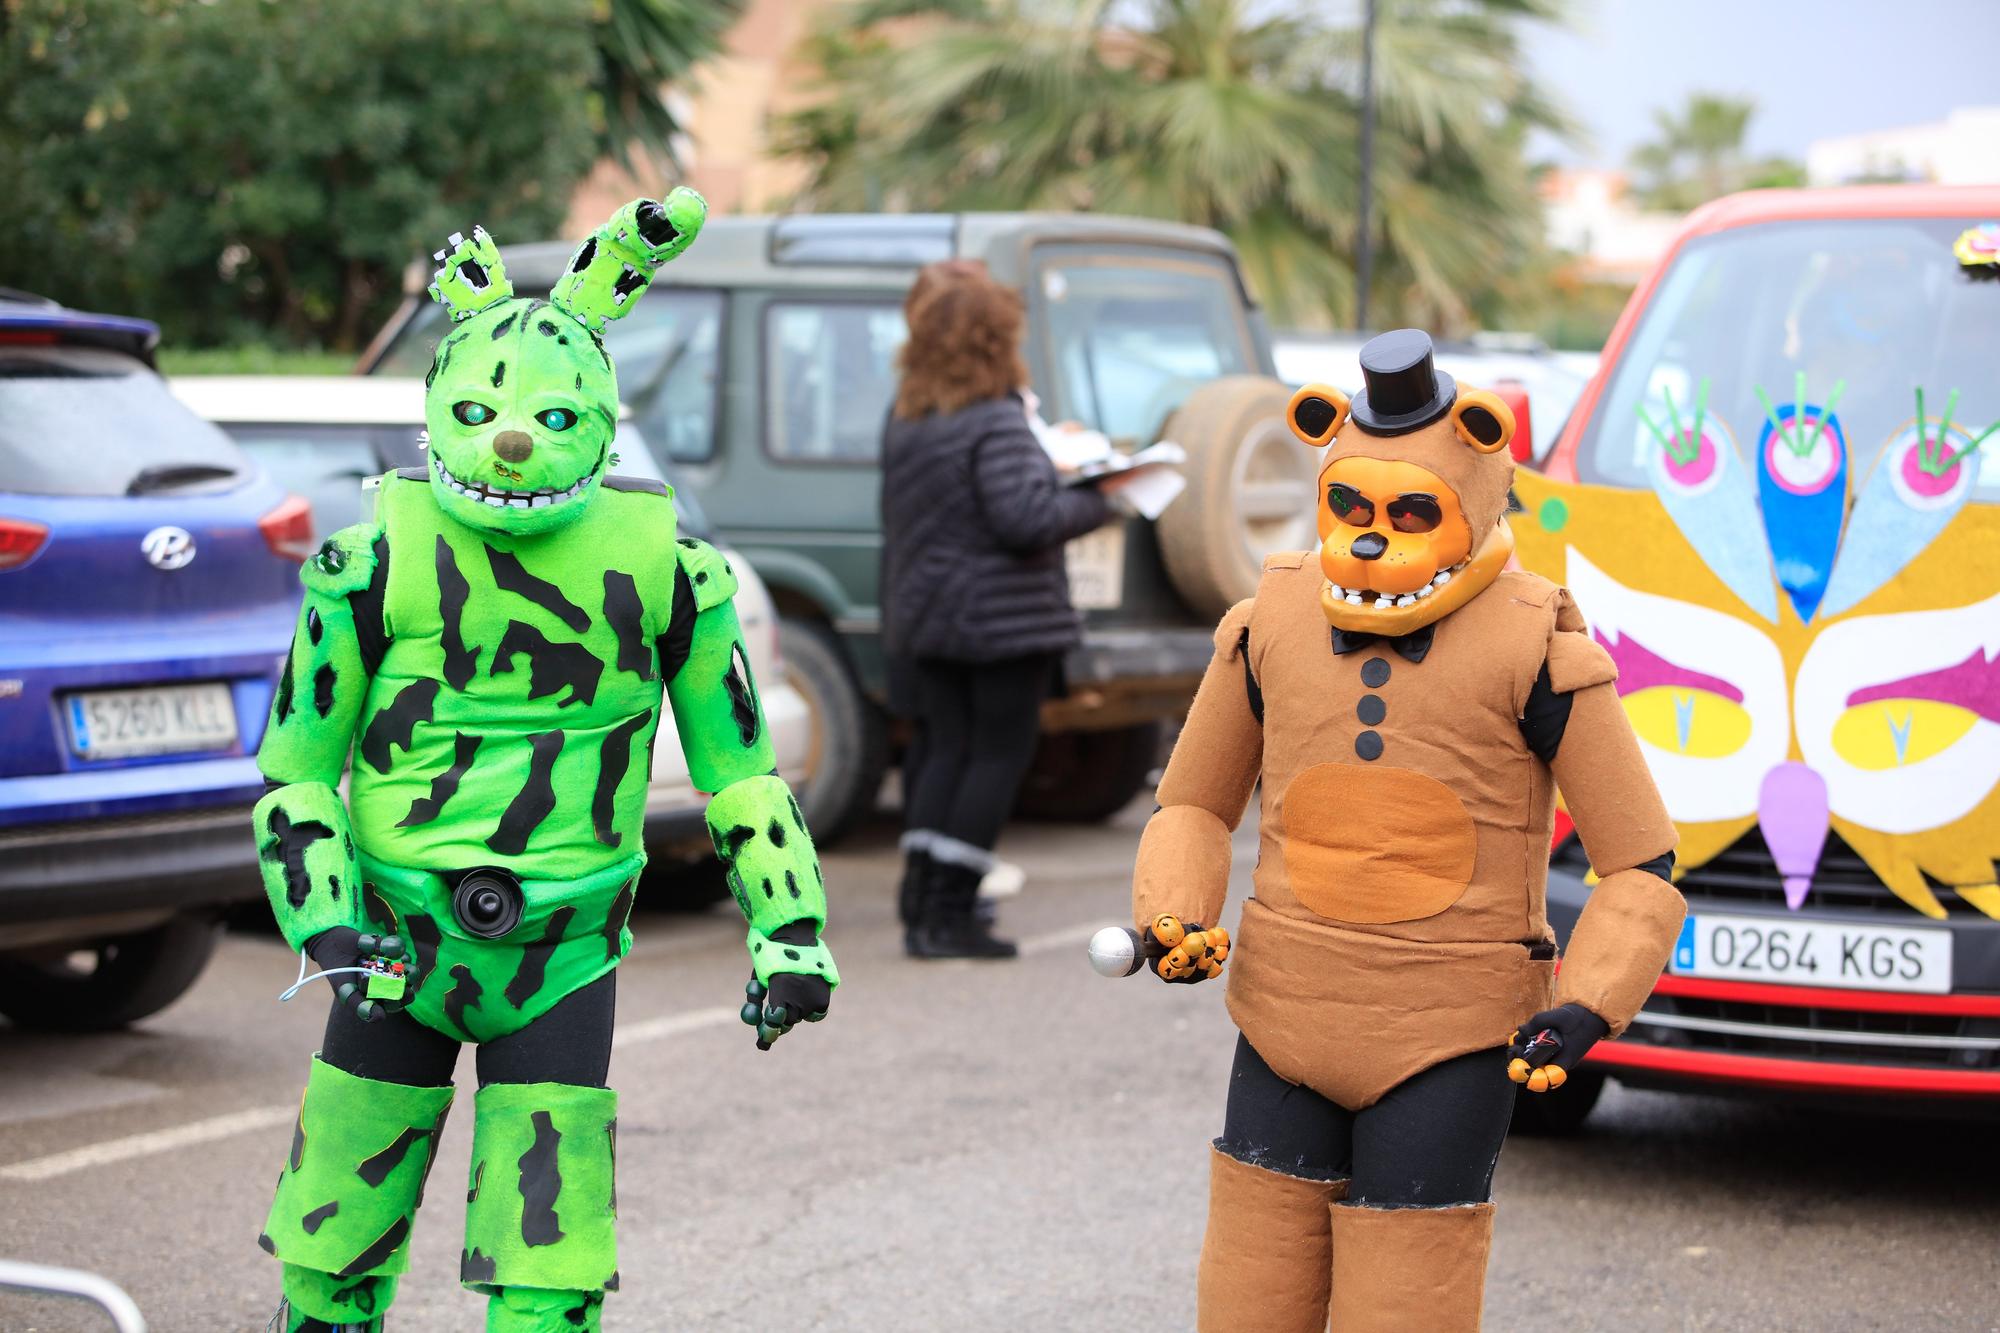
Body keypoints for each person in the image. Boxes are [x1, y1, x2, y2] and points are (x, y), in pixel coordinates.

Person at [251, 198, 838, 1333]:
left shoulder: (672, 576)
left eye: (551, 414)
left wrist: (791, 925)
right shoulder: (368, 568)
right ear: (436, 417)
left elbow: (741, 775)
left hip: (561, 951)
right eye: (476, 412)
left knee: (549, 1252)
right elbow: (298, 775)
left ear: (601, 426)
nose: (510, 439)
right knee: (335, 1234)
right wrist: (325, 922)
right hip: (391, 935)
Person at [1127, 330, 1684, 1330]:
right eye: (1349, 506)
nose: (1371, 536)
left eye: (1408, 511)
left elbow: (1639, 859)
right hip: (1284, 1012)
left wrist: (1591, 999)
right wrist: (1172, 914)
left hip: (1449, 1034)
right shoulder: (1271, 620)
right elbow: (1193, 802)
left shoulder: (1533, 642)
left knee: (1406, 1298)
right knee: (1252, 1287)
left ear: (1469, 498)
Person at [880, 262, 1121, 959]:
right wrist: (1103, 495)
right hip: (1001, 622)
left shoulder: (908, 417)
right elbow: (1025, 518)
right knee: (994, 759)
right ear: (994, 340)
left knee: (942, 751)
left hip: (928, 616)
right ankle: (951, 914)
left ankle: (921, 907)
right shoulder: (996, 419)